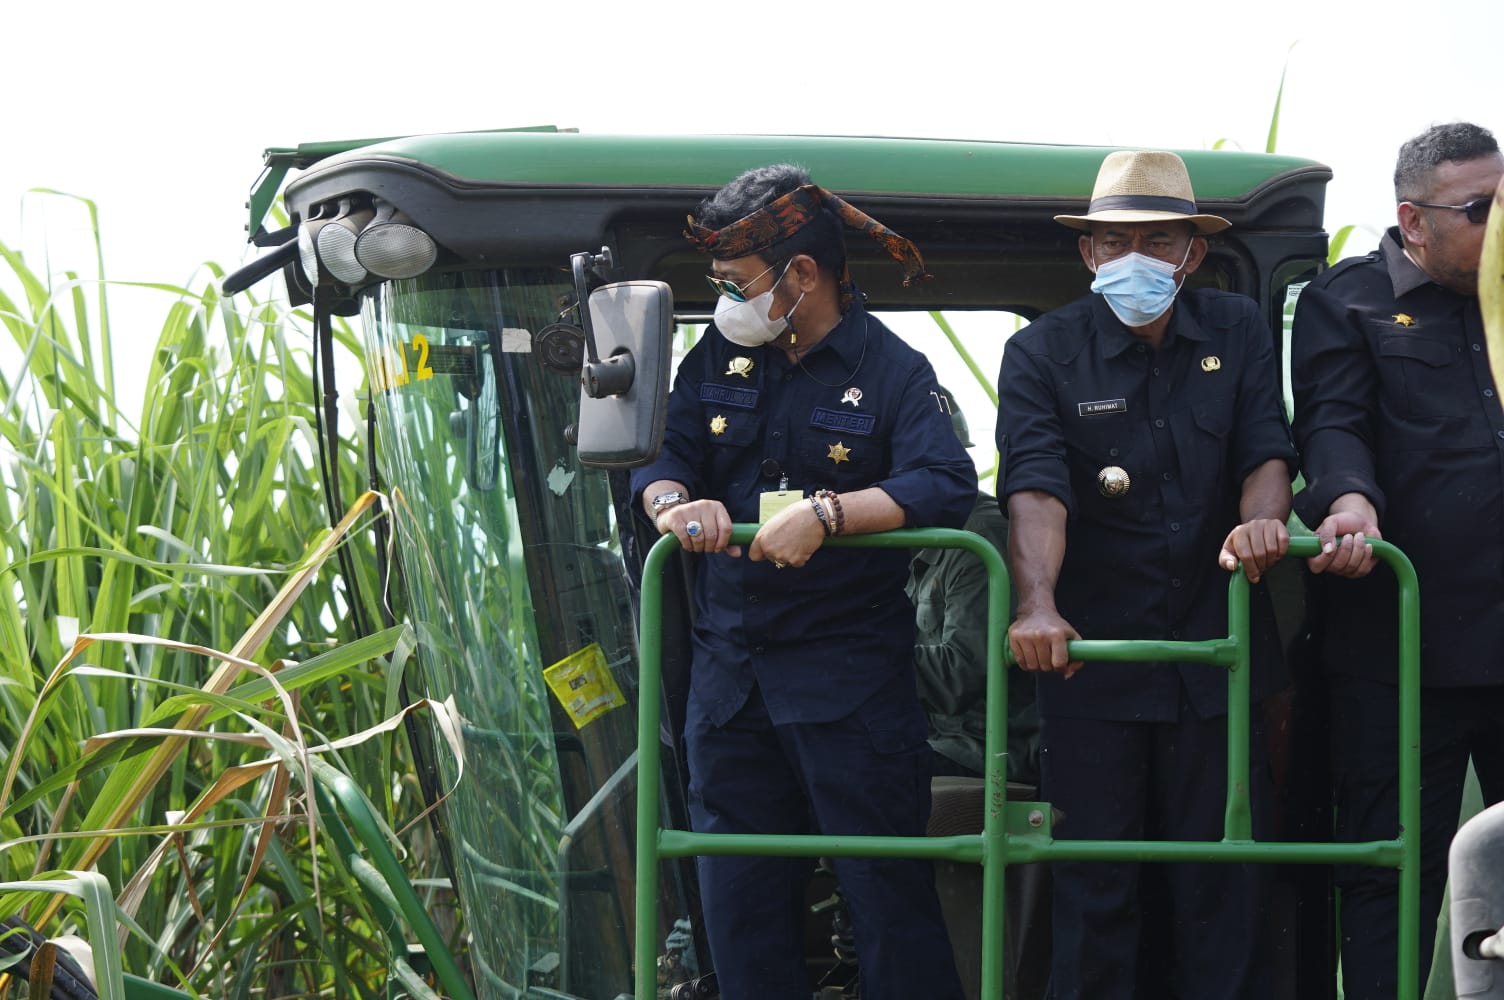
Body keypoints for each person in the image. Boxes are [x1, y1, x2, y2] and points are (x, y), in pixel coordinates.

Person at [630, 163, 974, 1000]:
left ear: (802, 275)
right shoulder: (717, 357)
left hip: (848, 687)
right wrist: (673, 505)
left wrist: (830, 513)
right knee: (740, 908)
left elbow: (944, 482)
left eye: (736, 282)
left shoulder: (893, 370)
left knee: (888, 904)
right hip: (730, 688)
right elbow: (665, 455)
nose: (724, 299)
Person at [996, 149, 1297, 999]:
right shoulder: (1041, 352)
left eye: (1158, 240)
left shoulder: (1237, 328)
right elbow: (1036, 489)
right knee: (1097, 890)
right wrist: (1037, 606)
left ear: (1192, 252)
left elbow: (1266, 450)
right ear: (1088, 252)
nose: (1135, 257)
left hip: (1218, 660)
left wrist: (1263, 521)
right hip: (1095, 665)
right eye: (1115, 241)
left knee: (1224, 890)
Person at [1290, 121, 1504, 1000]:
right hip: (1402, 651)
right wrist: (1349, 501)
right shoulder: (1349, 300)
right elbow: (1332, 422)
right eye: (1480, 209)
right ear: (1414, 221)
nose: (1499, 224)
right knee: (1392, 873)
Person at [906, 386, 1039, 785]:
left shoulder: (979, 539)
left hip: (983, 747)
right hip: (933, 735)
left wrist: (853, 659)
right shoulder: (914, 534)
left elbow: (960, 675)